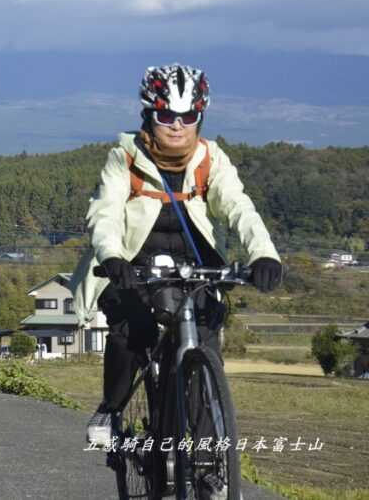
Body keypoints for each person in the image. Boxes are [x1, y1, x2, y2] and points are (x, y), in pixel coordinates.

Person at [69, 64, 283, 446]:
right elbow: (105, 212)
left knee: (204, 342)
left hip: (194, 267)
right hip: (132, 265)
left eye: (189, 116)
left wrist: (264, 254)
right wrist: (112, 256)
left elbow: (238, 207)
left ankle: (206, 460)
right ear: (148, 114)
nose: (177, 126)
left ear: (200, 115)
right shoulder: (124, 156)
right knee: (131, 334)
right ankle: (112, 407)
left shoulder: (210, 159)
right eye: (166, 115)